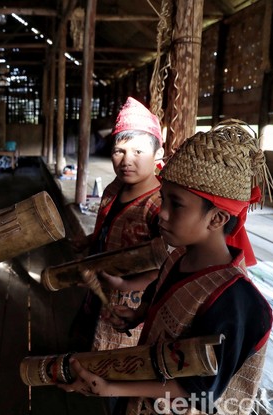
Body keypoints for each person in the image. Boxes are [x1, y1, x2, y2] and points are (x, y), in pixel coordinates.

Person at [60, 120, 273, 415]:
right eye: (163, 199)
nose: (161, 213)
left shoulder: (235, 300)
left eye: (177, 204)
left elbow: (199, 392)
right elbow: (161, 301)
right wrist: (136, 315)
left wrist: (113, 388)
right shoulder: (176, 258)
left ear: (217, 219)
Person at [71, 97, 165, 352]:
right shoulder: (114, 188)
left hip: (132, 303)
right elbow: (110, 225)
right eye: (119, 151)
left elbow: (168, 261)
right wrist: (91, 239)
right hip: (98, 287)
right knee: (87, 341)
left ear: (158, 154)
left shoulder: (160, 204)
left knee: (116, 354)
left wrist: (126, 285)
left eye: (138, 152)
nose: (126, 160)